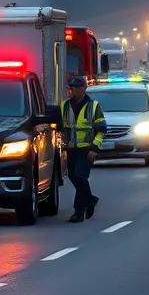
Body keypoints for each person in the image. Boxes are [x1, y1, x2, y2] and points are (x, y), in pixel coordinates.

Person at [60, 76, 107, 223]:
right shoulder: (65, 105)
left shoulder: (94, 106)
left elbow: (101, 130)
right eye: (72, 87)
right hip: (70, 149)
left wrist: (94, 148)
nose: (73, 90)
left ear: (83, 88)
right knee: (73, 177)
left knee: (80, 177)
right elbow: (60, 125)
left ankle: (78, 212)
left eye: (76, 87)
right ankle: (90, 199)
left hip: (87, 150)